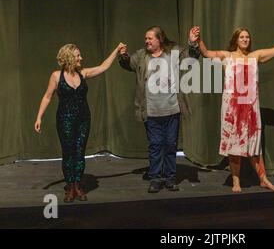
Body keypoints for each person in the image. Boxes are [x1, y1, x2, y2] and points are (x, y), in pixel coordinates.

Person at [197, 26, 274, 192]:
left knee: (254, 146)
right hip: (231, 109)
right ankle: (236, 181)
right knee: (234, 145)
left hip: (251, 108)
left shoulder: (256, 56)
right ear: (236, 40)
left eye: (247, 37)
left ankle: (263, 179)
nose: (245, 39)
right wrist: (197, 39)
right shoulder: (228, 56)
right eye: (242, 37)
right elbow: (206, 53)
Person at [34, 43, 126, 202]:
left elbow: (103, 67)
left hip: (83, 119)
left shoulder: (83, 73)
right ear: (69, 57)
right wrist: (39, 117)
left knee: (79, 152)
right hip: (65, 120)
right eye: (77, 55)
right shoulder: (56, 76)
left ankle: (77, 184)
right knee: (68, 152)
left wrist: (116, 50)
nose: (81, 58)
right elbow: (47, 96)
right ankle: (70, 187)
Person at [118, 26, 200, 193]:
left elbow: (192, 57)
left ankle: (170, 178)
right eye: (146, 38)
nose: (146, 41)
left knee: (170, 145)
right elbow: (128, 64)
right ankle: (156, 178)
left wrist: (192, 43)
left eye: (150, 38)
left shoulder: (174, 52)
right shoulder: (142, 55)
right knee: (155, 145)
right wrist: (123, 56)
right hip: (151, 110)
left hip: (172, 109)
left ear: (159, 39)